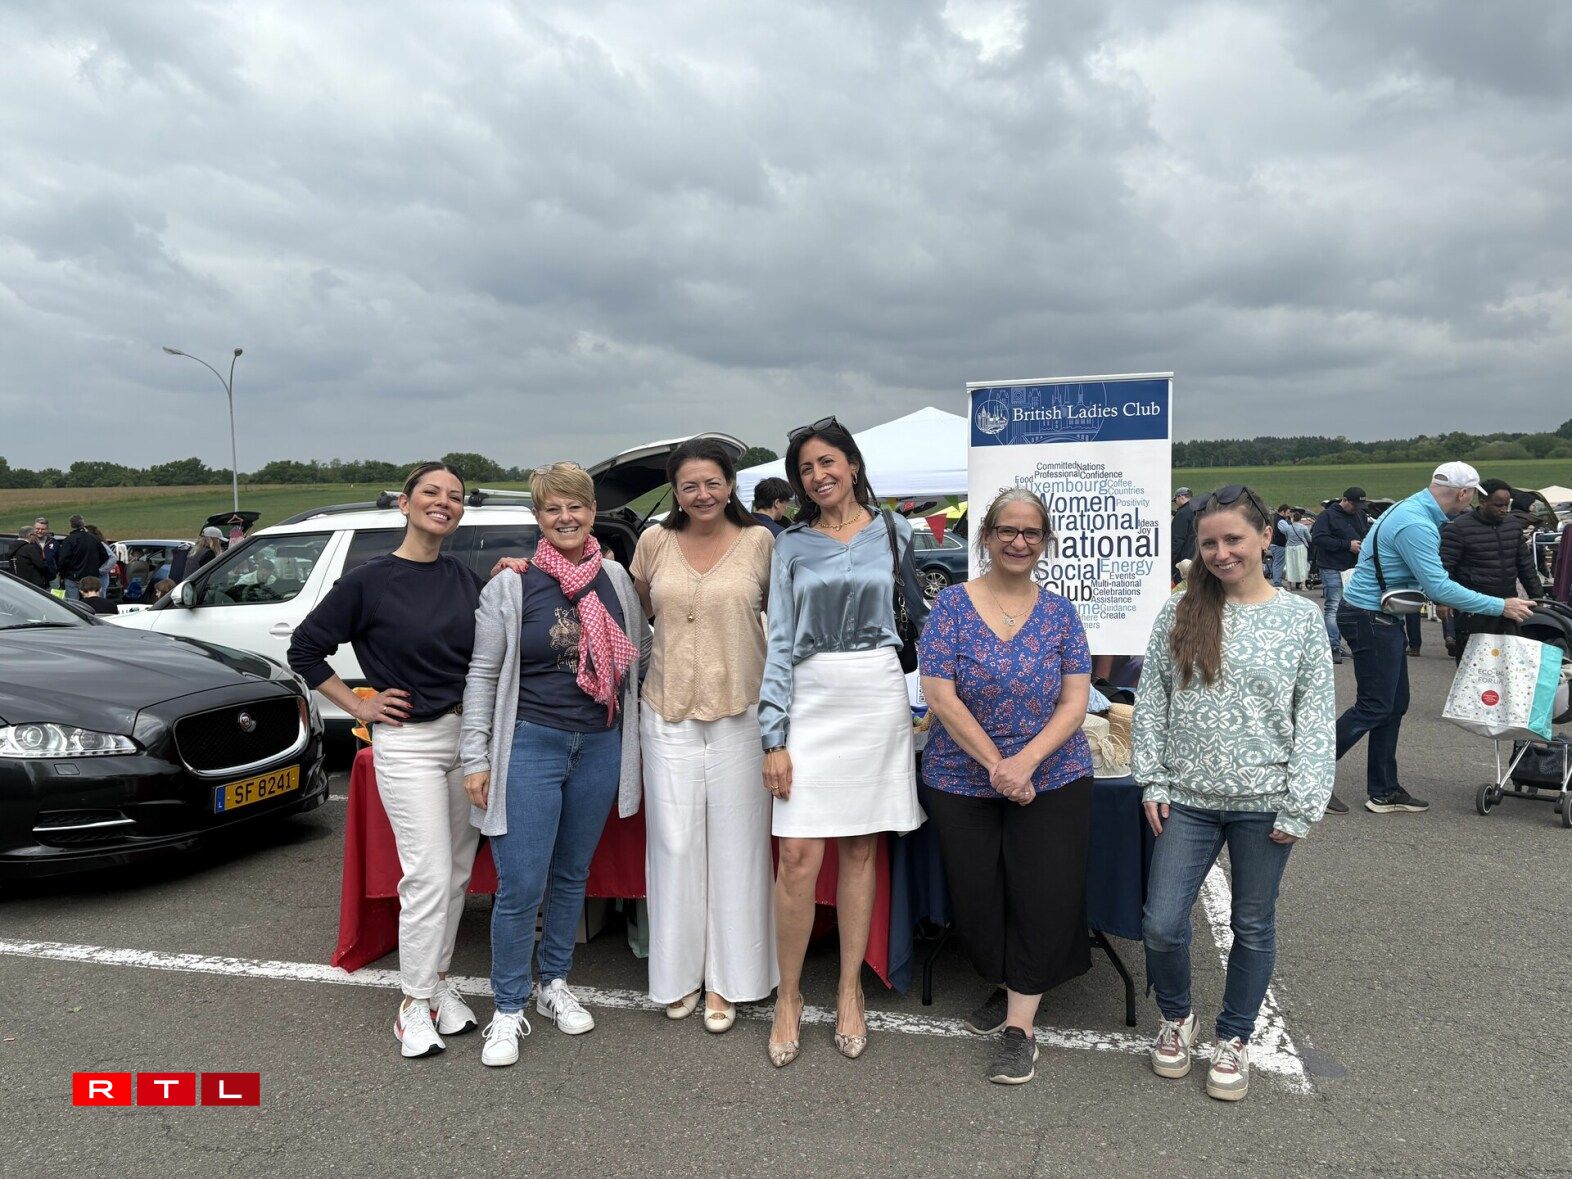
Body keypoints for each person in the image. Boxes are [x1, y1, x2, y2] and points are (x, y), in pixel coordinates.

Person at [1133, 484, 1335, 1103]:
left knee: (1252, 923)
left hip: (1265, 804)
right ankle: (1177, 1018)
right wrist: (1153, 778)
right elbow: (1154, 699)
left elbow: (1316, 718)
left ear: (1266, 537)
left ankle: (1235, 1036)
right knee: (1162, 923)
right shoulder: (1181, 609)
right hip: (1187, 798)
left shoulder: (1300, 619)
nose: (1222, 553)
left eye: (1234, 539)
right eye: (1210, 542)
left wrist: (1301, 804)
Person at [289, 461, 485, 1060]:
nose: (443, 503)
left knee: (455, 874)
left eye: (454, 497)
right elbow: (305, 648)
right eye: (431, 493)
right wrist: (360, 705)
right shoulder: (370, 581)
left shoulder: (464, 577)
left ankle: (439, 985)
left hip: (466, 739)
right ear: (404, 504)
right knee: (426, 874)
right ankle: (412, 1004)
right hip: (409, 743)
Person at [460, 461, 647, 1069]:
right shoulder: (510, 586)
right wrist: (476, 757)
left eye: (576, 506)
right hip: (531, 746)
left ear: (593, 512)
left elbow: (638, 658)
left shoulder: (616, 580)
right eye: (551, 509)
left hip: (598, 743)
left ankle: (554, 984)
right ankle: (508, 1007)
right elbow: (484, 675)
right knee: (520, 884)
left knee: (572, 876)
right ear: (537, 517)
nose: (565, 518)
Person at [760, 417, 927, 1067]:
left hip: (875, 692)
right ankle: (790, 996)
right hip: (808, 693)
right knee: (798, 855)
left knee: (860, 848)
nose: (818, 475)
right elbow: (776, 641)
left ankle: (850, 988)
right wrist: (774, 735)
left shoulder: (897, 530)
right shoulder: (791, 544)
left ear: (852, 464)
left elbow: (914, 613)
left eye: (828, 462)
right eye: (805, 468)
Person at [918, 489, 1094, 1086]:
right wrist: (999, 764)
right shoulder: (950, 607)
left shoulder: (1061, 613)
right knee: (978, 896)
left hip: (1054, 774)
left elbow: (1076, 698)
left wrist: (1027, 763)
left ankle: (1021, 1025)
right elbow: (940, 695)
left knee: (1042, 892)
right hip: (960, 777)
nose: (1020, 542)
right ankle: (1006, 978)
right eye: (1008, 531)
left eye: (1032, 533)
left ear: (1045, 542)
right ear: (987, 536)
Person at [631, 439, 777, 1032]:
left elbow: (778, 615)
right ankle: (679, 975)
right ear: (676, 491)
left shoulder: (760, 542)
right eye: (689, 485)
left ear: (731, 484)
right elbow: (640, 604)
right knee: (675, 845)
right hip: (666, 714)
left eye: (712, 482)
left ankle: (730, 981)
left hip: (742, 713)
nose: (702, 494)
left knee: (739, 848)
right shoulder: (654, 542)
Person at [1336, 463, 1535, 815]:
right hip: (1372, 619)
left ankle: (1383, 790)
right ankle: (1300, 776)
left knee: (1393, 705)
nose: (1471, 502)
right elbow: (1437, 586)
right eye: (1472, 495)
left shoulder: (1410, 508)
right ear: (1463, 493)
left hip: (1379, 616)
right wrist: (1500, 605)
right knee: (1375, 706)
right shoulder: (1416, 524)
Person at [1439, 478, 1546, 663]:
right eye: (1498, 505)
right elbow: (1445, 568)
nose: (1504, 510)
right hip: (1472, 609)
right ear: (1483, 501)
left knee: (1508, 665)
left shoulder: (1513, 526)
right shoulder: (1458, 528)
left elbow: (1526, 566)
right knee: (1474, 667)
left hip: (1510, 605)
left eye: (1507, 505)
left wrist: (1538, 598)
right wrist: (1441, 601)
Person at [1309, 488, 1368, 665]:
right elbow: (1318, 538)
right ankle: (1333, 646)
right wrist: (1346, 545)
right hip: (1331, 566)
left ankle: (1346, 644)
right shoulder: (1327, 516)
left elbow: (1364, 533)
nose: (1357, 508)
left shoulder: (1360, 515)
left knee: (1352, 606)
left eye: (1360, 505)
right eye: (1354, 504)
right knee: (1333, 607)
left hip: (1353, 568)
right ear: (1345, 500)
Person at [56, 515, 101, 600]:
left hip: (72, 577)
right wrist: (95, 566)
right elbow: (104, 556)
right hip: (91, 577)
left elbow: (63, 560)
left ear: (71, 525)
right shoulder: (94, 538)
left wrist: (62, 574)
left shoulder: (69, 540)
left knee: (74, 604)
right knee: (92, 601)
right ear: (83, 523)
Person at [1170, 488, 1198, 583]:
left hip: (1183, 562)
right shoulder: (1198, 510)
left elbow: (1176, 540)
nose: (1175, 503)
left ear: (1181, 497)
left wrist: (1169, 559)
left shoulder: (1182, 513)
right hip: (1197, 558)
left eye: (1175, 500)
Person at [1282, 510, 1311, 590]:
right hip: (1300, 547)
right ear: (1300, 519)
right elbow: (1309, 538)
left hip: (1289, 548)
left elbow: (1287, 537)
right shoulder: (1304, 527)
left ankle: (1289, 586)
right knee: (1302, 565)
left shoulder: (1287, 528)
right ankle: (1303, 585)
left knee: (1290, 565)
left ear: (1293, 519)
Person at [1268, 505, 1290, 587]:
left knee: (1276, 563)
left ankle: (1276, 580)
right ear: (1282, 511)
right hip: (1279, 545)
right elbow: (1288, 531)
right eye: (1287, 512)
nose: (1288, 514)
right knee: (1279, 563)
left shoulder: (1274, 518)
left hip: (1274, 544)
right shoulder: (1281, 521)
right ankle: (1277, 582)